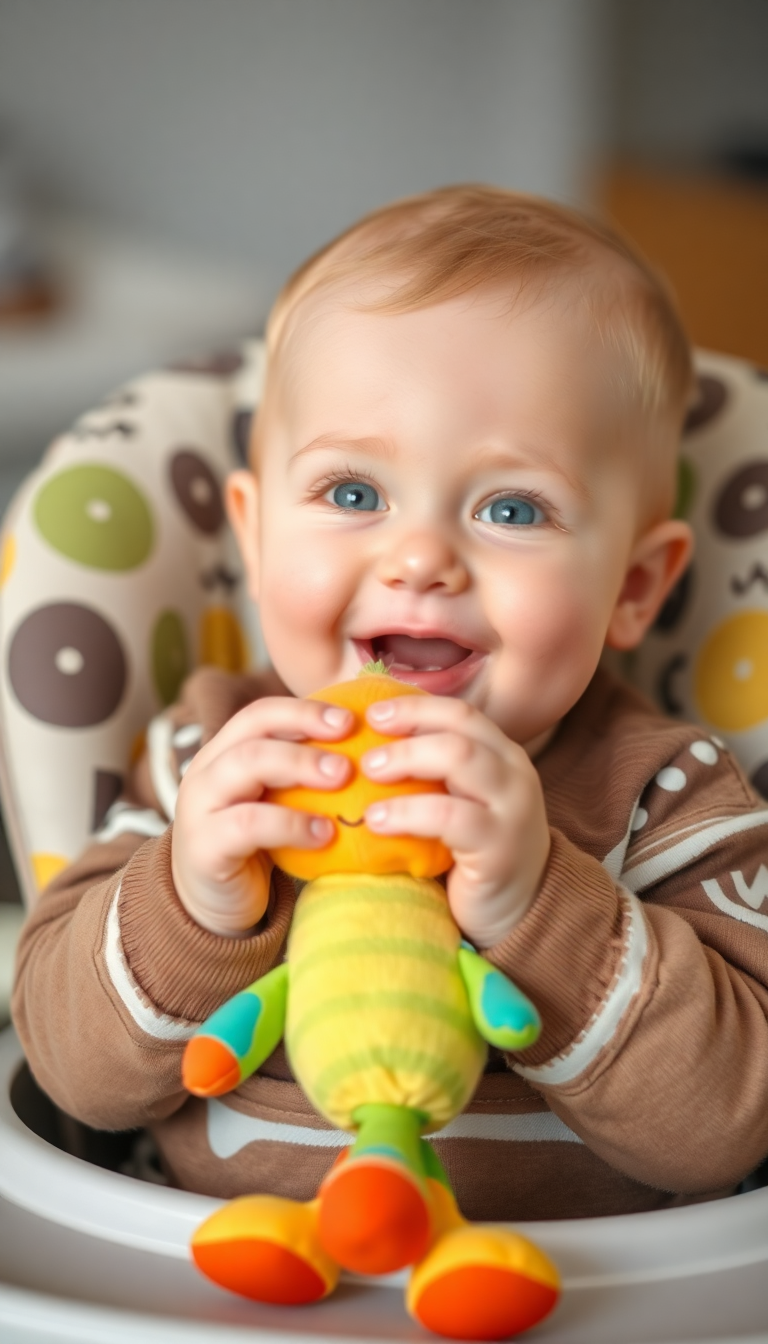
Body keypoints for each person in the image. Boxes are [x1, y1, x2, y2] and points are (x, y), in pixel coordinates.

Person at [12, 187, 768, 1230]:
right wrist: (189, 903)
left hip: (562, 1293)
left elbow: (735, 1120)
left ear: (636, 588)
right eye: (354, 493)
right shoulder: (213, 758)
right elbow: (67, 1076)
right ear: (257, 537)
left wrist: (541, 905)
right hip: (218, 1284)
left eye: (512, 508)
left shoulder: (666, 792)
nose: (420, 559)